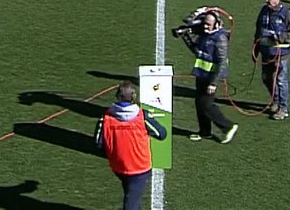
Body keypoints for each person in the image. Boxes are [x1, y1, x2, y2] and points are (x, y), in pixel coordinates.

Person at [94, 81, 167, 210]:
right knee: (131, 202)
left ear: (118, 96)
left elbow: (99, 143)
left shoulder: (105, 117)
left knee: (132, 195)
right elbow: (161, 134)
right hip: (140, 167)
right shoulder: (142, 116)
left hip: (119, 167)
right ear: (134, 96)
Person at [178, 11, 238, 144]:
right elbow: (197, 51)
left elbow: (222, 63)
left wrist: (214, 83)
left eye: (208, 24)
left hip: (211, 76)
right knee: (199, 103)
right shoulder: (205, 35)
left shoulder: (220, 38)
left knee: (206, 104)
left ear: (216, 24)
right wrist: (185, 36)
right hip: (201, 73)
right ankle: (204, 131)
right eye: (204, 24)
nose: (205, 27)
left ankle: (227, 126)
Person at [254, 0, 290, 120]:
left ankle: (283, 108)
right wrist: (256, 49)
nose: (267, 1)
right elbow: (258, 29)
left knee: (280, 80)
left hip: (281, 53)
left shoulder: (287, 13)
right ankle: (275, 100)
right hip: (266, 52)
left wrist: (280, 37)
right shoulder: (264, 11)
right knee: (266, 78)